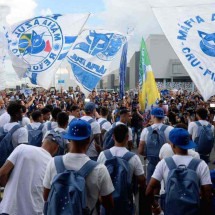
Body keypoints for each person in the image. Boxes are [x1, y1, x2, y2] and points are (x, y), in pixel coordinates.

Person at [43, 119, 114, 214]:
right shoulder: (99, 169)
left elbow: (46, 196)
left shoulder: (54, 162)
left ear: (69, 139)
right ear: (89, 139)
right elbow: (108, 204)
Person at [146, 128, 213, 215]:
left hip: (170, 210)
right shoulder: (201, 164)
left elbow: (149, 190)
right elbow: (207, 191)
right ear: (188, 144)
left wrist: (155, 206)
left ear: (173, 145)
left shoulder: (164, 163)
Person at [0, 131, 62, 215]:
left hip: (8, 209)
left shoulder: (22, 148)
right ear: (57, 148)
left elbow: (2, 173)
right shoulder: (53, 163)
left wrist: (9, 187)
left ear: (43, 141)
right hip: (34, 211)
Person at [97, 124, 145, 215]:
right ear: (127, 137)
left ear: (113, 137)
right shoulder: (133, 158)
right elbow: (142, 179)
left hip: (106, 200)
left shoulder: (103, 155)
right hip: (125, 201)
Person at [138, 107, 173, 183]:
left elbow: (140, 151)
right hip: (167, 163)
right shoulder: (170, 129)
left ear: (153, 116)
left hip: (152, 163)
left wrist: (148, 153)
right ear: (163, 117)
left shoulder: (146, 130)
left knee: (151, 186)